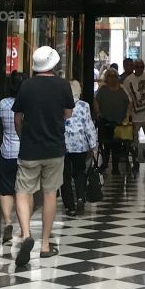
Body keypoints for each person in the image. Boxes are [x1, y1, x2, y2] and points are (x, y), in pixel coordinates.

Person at [13, 46, 74, 269]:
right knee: (50, 194)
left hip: (29, 148)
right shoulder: (63, 85)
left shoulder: (26, 85)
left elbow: (17, 118)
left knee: (22, 191)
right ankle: (46, 245)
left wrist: (23, 136)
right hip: (54, 148)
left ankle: (26, 234)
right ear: (54, 64)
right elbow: (68, 113)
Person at [62, 80, 98, 216]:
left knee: (64, 175)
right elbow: (88, 126)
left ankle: (69, 205)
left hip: (63, 144)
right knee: (79, 172)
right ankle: (80, 198)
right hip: (80, 144)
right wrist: (93, 145)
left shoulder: (60, 104)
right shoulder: (84, 105)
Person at [0, 71, 23, 243]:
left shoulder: (3, 103)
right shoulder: (27, 103)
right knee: (23, 190)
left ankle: (7, 222)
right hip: (23, 152)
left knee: (6, 189)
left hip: (6, 151)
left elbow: (1, 122)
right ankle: (23, 225)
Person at [123, 57, 145, 169]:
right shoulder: (128, 80)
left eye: (141, 67)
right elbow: (124, 97)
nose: (139, 69)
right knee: (134, 140)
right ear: (134, 68)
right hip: (134, 116)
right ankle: (136, 159)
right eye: (137, 67)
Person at [95, 67, 131, 174]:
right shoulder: (102, 89)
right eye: (110, 76)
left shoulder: (122, 89)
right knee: (106, 144)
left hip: (120, 121)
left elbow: (129, 102)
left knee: (117, 145)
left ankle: (115, 167)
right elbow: (95, 101)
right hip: (106, 120)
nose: (113, 79)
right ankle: (105, 162)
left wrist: (128, 114)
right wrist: (98, 113)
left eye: (115, 76)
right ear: (107, 78)